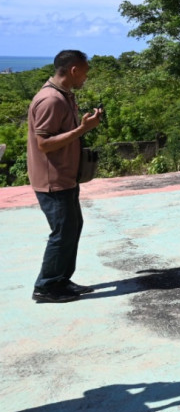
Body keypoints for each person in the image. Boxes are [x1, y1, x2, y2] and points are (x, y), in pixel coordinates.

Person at [27, 50, 102, 304]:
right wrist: (83, 129)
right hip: (53, 180)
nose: (86, 77)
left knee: (72, 229)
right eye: (85, 71)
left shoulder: (65, 96)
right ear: (73, 70)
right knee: (62, 233)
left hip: (66, 177)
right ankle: (46, 286)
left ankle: (61, 280)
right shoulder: (51, 100)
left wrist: (83, 126)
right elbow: (44, 144)